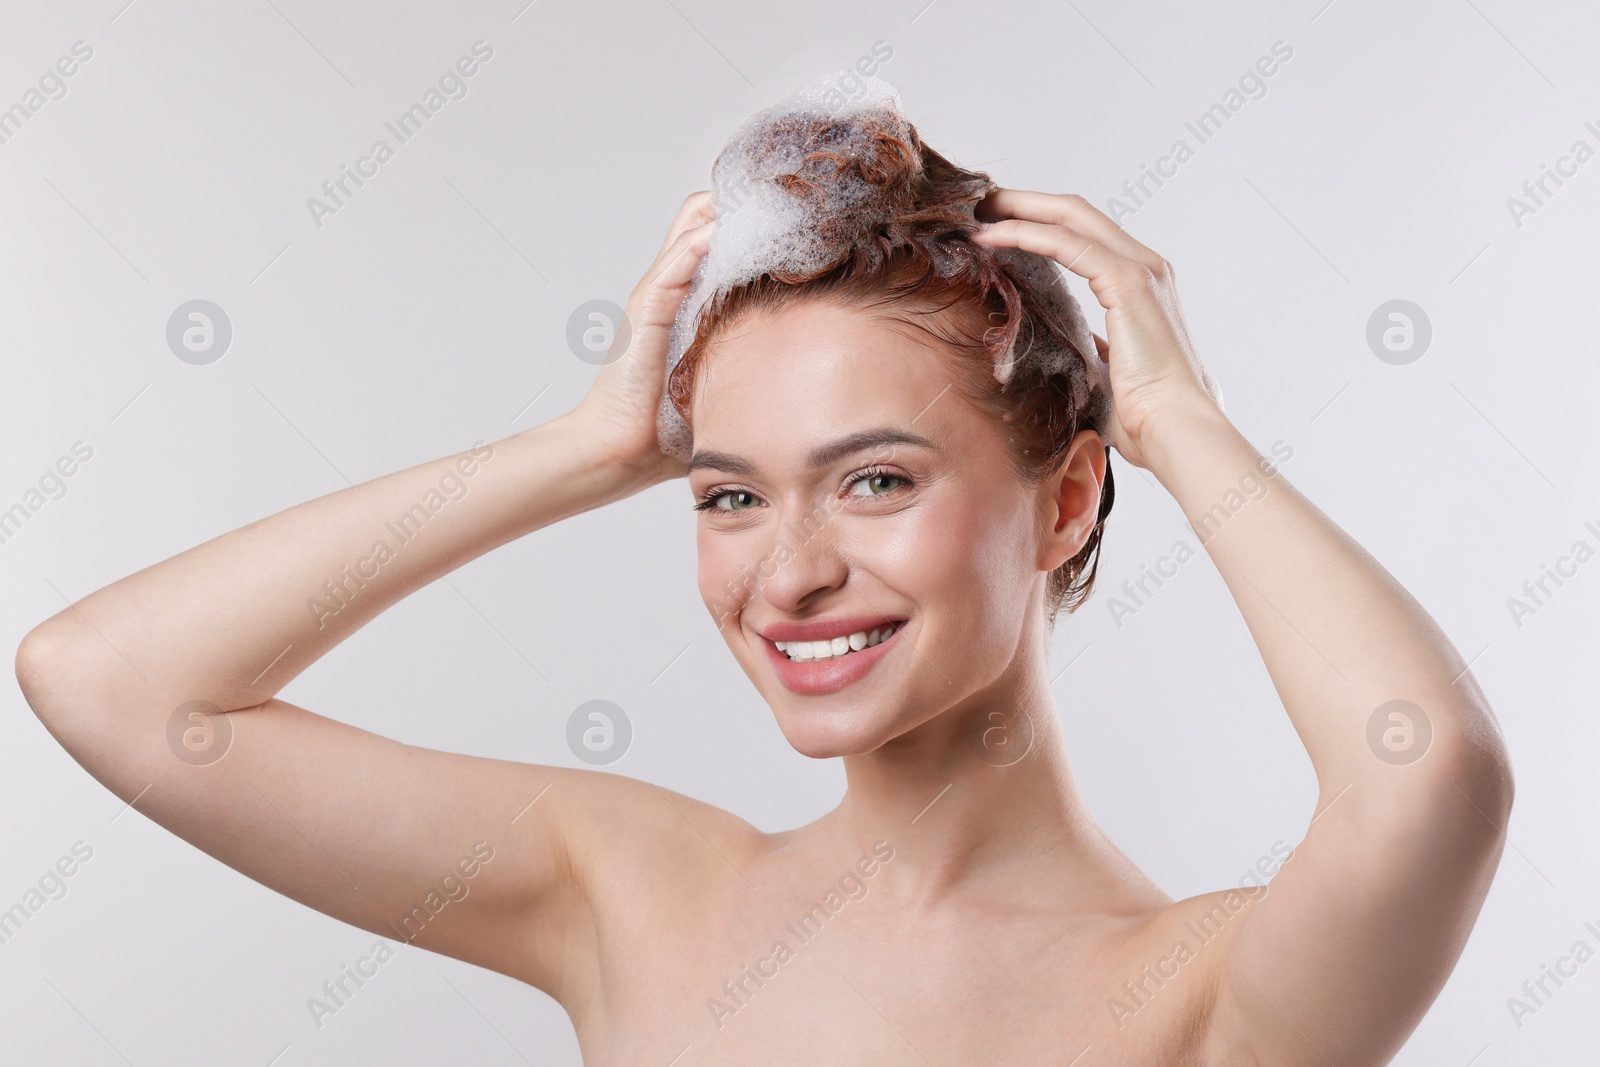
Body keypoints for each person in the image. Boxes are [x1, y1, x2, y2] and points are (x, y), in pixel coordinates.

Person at [17, 119, 1513, 1065]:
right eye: (730, 493)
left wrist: (1180, 426)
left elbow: (1428, 774)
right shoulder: (630, 892)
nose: (786, 573)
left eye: (875, 480)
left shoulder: (1200, 999)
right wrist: (577, 448)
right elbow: (115, 684)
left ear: (1064, 500)